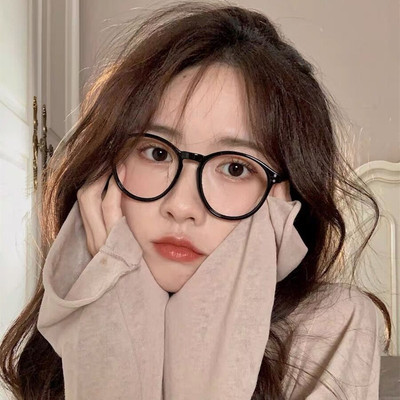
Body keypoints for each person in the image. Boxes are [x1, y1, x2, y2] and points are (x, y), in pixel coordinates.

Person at [0, 2, 391, 399]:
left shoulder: (334, 323)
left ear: (284, 196)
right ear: (105, 169)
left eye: (236, 168)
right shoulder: (68, 313)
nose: (182, 206)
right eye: (157, 153)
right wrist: (115, 289)